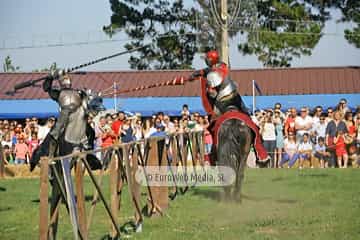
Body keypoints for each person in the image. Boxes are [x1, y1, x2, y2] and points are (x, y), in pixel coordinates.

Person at [187, 50, 269, 162]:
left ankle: (214, 153)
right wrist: (198, 73)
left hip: (222, 102)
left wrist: (199, 77)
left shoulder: (213, 74)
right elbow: (207, 70)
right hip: (235, 98)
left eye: (207, 59)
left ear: (210, 60)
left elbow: (212, 93)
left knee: (213, 124)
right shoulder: (222, 66)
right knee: (249, 121)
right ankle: (260, 153)